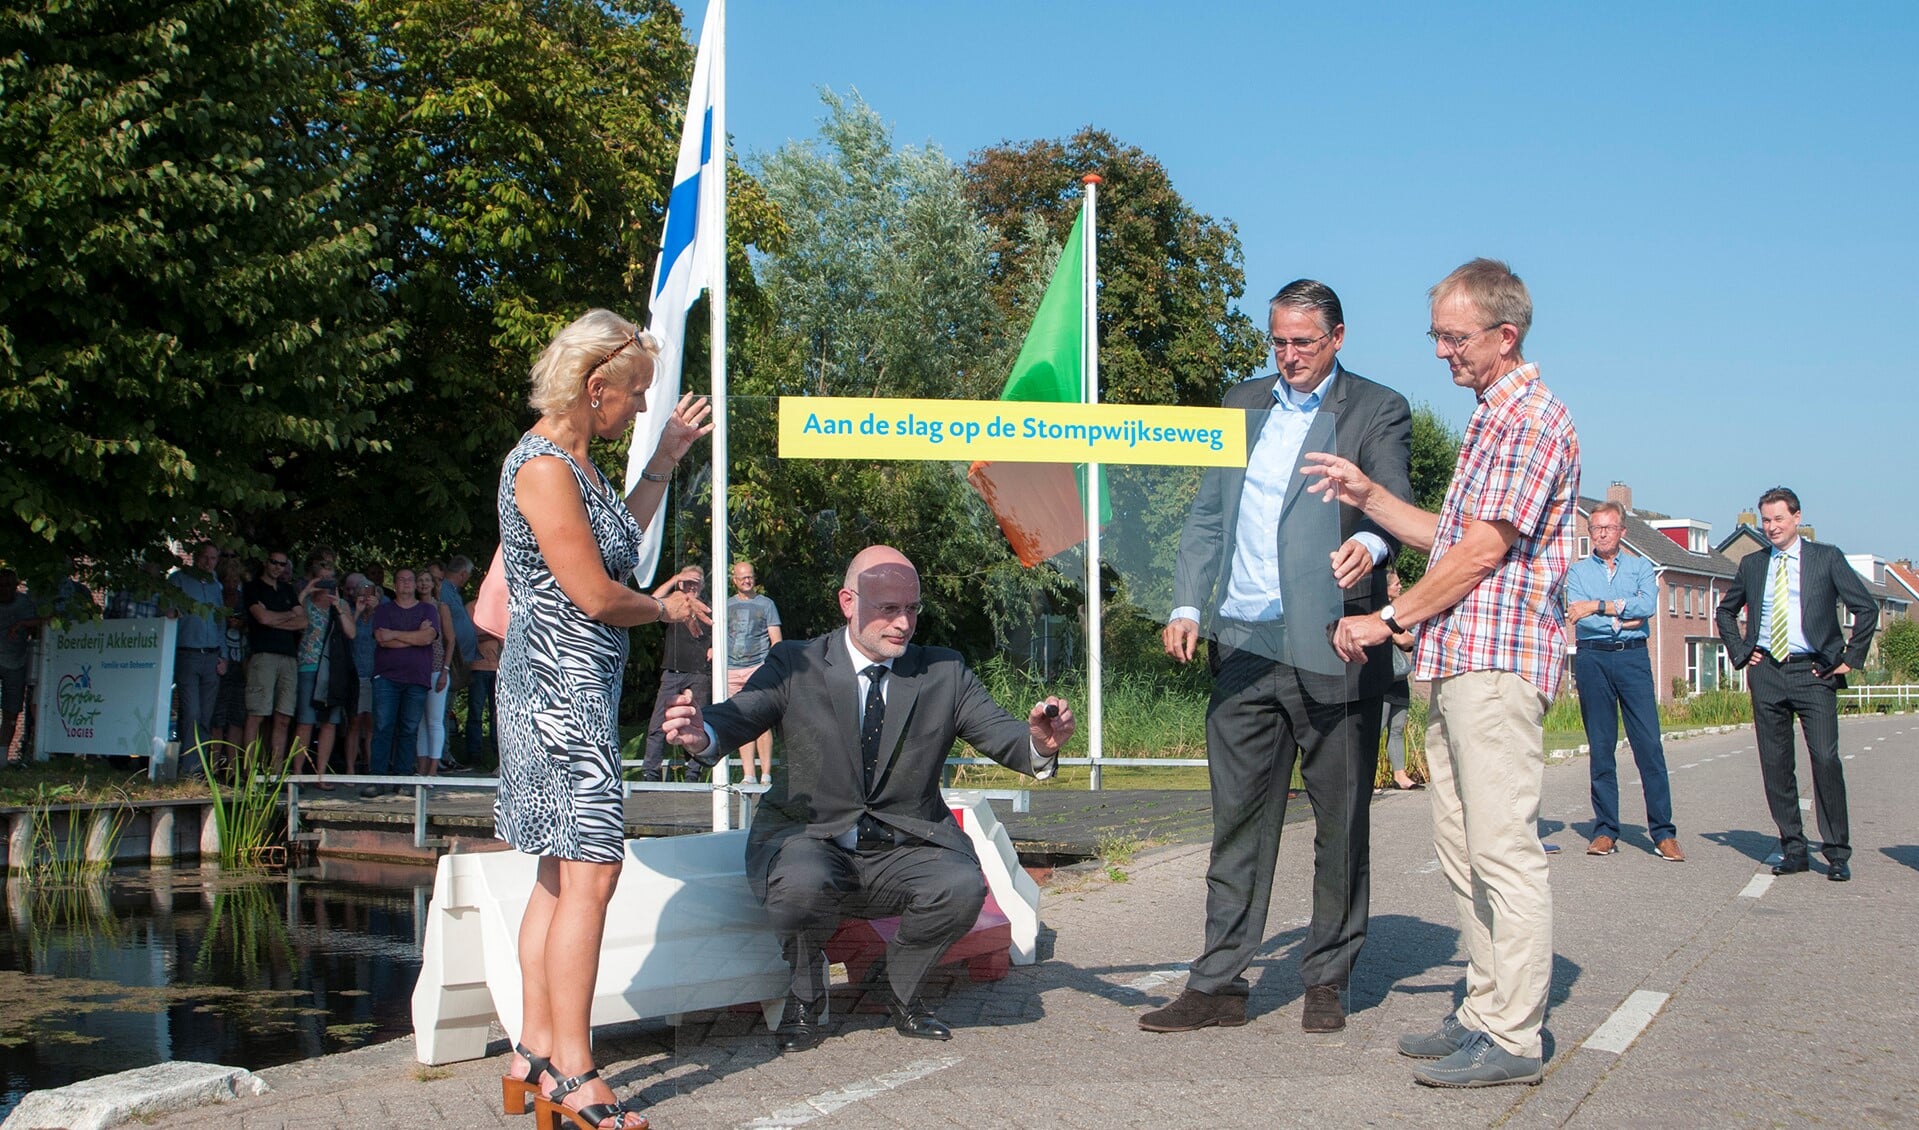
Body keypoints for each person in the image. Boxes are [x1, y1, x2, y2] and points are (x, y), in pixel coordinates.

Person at [1305, 257, 1580, 1088]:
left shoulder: (1532, 419)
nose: (1439, 351)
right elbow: (1446, 531)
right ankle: (1481, 1010)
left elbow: (1481, 552)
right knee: (1461, 850)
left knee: (1501, 851)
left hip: (1497, 665)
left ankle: (1513, 1035)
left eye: (1453, 337)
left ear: (1506, 334)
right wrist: (1368, 493)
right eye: (1435, 335)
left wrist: (1386, 618)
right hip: (1459, 661)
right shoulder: (1487, 419)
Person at [664, 545, 1076, 1053]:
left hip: (907, 847)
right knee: (798, 885)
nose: (903, 623)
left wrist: (1042, 742)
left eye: (912, 609)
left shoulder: (943, 672)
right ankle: (806, 997)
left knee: (961, 886)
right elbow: (742, 714)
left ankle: (897, 989)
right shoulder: (796, 661)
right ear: (848, 602)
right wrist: (700, 732)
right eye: (888, 609)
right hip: (812, 841)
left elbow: (1006, 737)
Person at [1144, 279, 1411, 1037]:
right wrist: (1188, 603)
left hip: (1335, 642)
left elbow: (1389, 499)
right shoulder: (1240, 404)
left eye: (1303, 341)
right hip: (1243, 643)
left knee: (1339, 821)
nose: (1288, 356)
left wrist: (1367, 541)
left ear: (1336, 338)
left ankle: (1326, 979)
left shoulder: (1375, 408)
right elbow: (1205, 513)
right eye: (1277, 342)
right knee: (1237, 822)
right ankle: (1218, 985)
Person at [492, 310, 711, 1130]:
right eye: (634, 397)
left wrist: (660, 463)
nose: (637, 408)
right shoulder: (542, 467)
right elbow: (594, 592)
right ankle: (572, 1071)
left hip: (572, 691)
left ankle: (531, 1053)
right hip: (555, 695)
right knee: (592, 870)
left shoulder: (576, 462)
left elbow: (617, 540)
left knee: (559, 872)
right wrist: (662, 609)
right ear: (595, 389)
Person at [1714, 487, 1877, 882]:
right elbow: (1725, 611)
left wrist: (1848, 660)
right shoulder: (1753, 565)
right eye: (1766, 520)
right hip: (1767, 671)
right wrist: (1740, 650)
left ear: (1797, 518)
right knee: (1776, 764)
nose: (1771, 527)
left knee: (1824, 758)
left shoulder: (1826, 558)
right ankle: (1794, 848)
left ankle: (1837, 853)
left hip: (1814, 671)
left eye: (1778, 519)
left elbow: (1866, 607)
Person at [1564, 501, 1681, 861]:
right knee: (1601, 748)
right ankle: (1605, 830)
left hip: (1632, 658)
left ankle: (1662, 832)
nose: (1600, 534)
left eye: (1608, 528)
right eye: (1595, 528)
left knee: (1649, 745)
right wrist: (1622, 612)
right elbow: (1576, 614)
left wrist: (1599, 607)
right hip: (1592, 657)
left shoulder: (1641, 566)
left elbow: (1647, 607)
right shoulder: (1578, 573)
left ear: (1622, 532)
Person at [362, 566, 438, 798]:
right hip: (386, 677)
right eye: (401, 579)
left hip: (417, 678)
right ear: (394, 585)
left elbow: (428, 638)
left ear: (416, 585)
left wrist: (396, 634)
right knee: (383, 726)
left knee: (409, 728)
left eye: (409, 579)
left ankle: (403, 778)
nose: (405, 583)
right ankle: (378, 778)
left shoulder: (428, 609)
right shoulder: (384, 610)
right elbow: (382, 640)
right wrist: (414, 637)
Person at [639, 565, 711, 782]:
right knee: (658, 722)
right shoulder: (673, 605)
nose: (691, 586)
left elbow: (728, 631)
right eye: (687, 582)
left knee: (697, 724)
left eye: (696, 582)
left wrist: (716, 647)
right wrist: (675, 578)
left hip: (699, 672)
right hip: (673, 671)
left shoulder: (709, 606)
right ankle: (650, 772)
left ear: (702, 586)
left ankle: (693, 773)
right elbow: (652, 602)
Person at [291, 557, 356, 787]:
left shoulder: (342, 605)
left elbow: (351, 633)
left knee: (330, 722)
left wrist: (338, 606)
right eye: (322, 579)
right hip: (307, 666)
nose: (327, 584)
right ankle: (298, 773)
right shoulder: (306, 602)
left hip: (333, 669)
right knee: (306, 721)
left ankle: (321, 775)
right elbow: (292, 615)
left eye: (331, 579)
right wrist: (306, 591)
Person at [167, 542, 228, 778]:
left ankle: (198, 768)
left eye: (213, 558)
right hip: (187, 653)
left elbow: (220, 623)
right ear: (195, 558)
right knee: (191, 711)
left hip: (211, 656)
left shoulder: (216, 587)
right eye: (205, 557)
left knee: (205, 715)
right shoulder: (178, 581)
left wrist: (224, 656)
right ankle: (188, 767)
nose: (208, 563)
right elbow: (169, 614)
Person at [242, 550, 305, 762]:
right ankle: (249, 771)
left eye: (282, 564)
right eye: (274, 562)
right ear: (266, 563)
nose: (278, 567)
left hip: (288, 657)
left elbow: (303, 621)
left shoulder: (288, 590)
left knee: (283, 717)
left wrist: (273, 618)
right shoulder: (253, 588)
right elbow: (261, 618)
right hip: (263, 655)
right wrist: (288, 615)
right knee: (257, 714)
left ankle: (275, 772)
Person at [725, 560, 782, 783]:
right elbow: (718, 635)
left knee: (762, 719)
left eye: (750, 576)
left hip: (758, 666)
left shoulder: (766, 604)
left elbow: (775, 638)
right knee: (742, 720)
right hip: (731, 669)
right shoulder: (726, 605)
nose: (747, 580)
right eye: (743, 577)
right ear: (734, 580)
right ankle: (749, 774)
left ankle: (766, 773)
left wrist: (775, 665)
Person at [413, 567, 455, 779]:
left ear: (433, 584)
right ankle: (421, 769)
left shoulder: (441, 607)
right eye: (419, 580)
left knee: (435, 721)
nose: (423, 584)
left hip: (437, 669)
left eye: (427, 580)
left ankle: (433, 769)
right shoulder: (412, 606)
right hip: (416, 670)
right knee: (420, 722)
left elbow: (450, 639)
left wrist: (445, 670)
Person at [1381, 569, 1420, 792]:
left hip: (1399, 676)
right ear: (1386, 588)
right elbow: (1403, 638)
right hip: (1384, 674)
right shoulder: (1380, 611)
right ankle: (1364, 775)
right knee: (1378, 727)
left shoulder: (1398, 611)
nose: (1400, 587)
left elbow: (1408, 640)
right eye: (1396, 584)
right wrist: (1400, 635)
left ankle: (1400, 775)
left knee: (1397, 727)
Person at [0, 570, 44, 766]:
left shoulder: (24, 603)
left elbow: (41, 623)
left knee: (11, 711)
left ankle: (2, 759)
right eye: (1, 585)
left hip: (15, 663)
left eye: (9, 585)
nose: (5, 589)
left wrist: (22, 623)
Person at [439, 555, 478, 768]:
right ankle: (442, 757)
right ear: (462, 574)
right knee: (441, 712)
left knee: (445, 711)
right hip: (448, 662)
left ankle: (445, 755)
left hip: (455, 663)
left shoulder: (452, 592)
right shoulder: (444, 591)